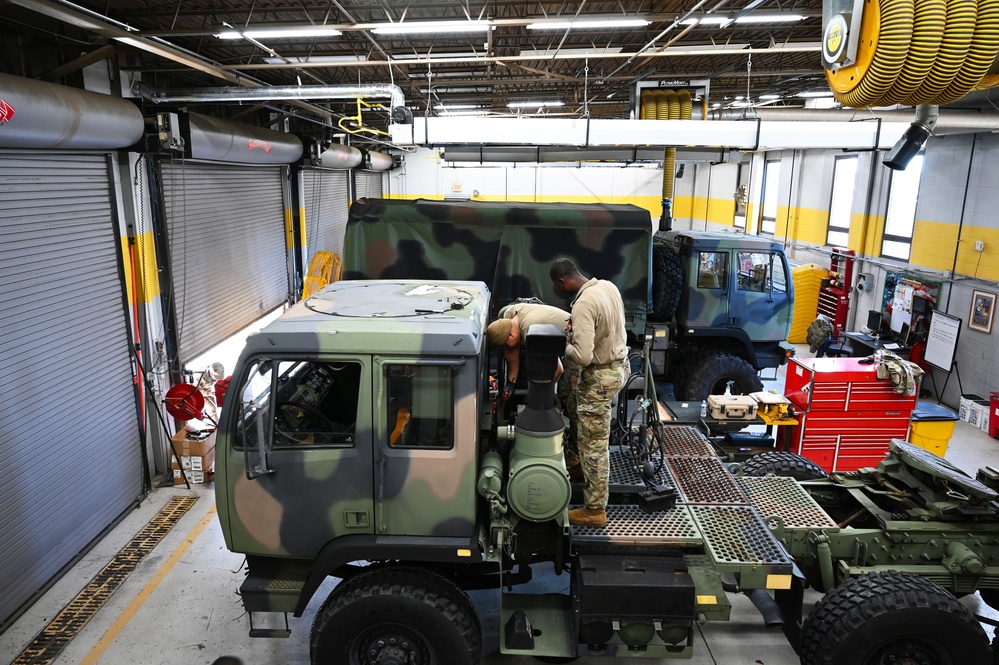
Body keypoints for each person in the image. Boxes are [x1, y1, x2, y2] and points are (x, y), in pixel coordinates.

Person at [550, 258, 629, 527]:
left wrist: (565, 343)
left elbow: (583, 356)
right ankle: (581, 468)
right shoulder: (608, 287)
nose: (558, 290)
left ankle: (595, 510)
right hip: (617, 368)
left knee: (593, 445)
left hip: (598, 379)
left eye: (557, 286)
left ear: (563, 281)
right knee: (590, 436)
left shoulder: (584, 303)